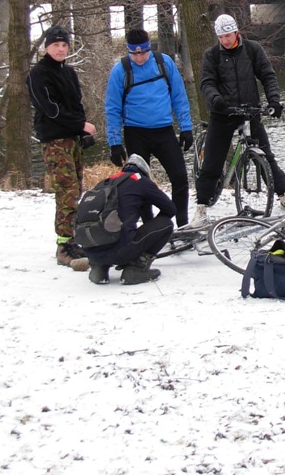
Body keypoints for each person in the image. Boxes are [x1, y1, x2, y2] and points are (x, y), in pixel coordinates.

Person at [191, 14, 285, 226]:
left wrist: (274, 100)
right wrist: (216, 99)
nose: (225, 40)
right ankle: (201, 207)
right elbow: (207, 82)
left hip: (250, 112)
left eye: (228, 36)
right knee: (212, 162)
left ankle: (283, 194)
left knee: (267, 156)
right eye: (221, 37)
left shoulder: (252, 49)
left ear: (236, 32)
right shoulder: (212, 55)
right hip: (223, 113)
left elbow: (267, 75)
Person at [104, 28, 195, 226]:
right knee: (139, 182)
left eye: (143, 53)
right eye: (134, 54)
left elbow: (179, 97)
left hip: (164, 131)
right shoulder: (120, 70)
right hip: (136, 133)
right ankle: (149, 225)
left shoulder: (164, 63)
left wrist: (186, 128)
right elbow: (112, 109)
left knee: (179, 177)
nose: (139, 58)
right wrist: (114, 143)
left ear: (149, 48)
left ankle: (182, 223)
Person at [26, 25, 97, 272]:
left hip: (71, 138)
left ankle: (73, 239)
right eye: (56, 45)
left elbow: (76, 105)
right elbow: (50, 109)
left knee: (76, 188)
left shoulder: (69, 72)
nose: (60, 49)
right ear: (47, 47)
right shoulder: (38, 74)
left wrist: (82, 131)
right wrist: (80, 125)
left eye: (64, 45)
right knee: (66, 190)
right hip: (54, 140)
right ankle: (63, 245)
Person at [85, 154, 177, 286]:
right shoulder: (141, 181)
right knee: (166, 224)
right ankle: (136, 269)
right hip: (120, 251)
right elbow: (170, 209)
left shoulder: (105, 182)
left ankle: (99, 268)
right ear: (145, 171)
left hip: (91, 251)